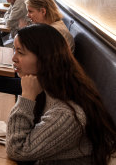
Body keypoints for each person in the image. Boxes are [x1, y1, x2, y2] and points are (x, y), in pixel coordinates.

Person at [7, 24, 116, 164]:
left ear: (43, 58)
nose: (14, 58)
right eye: (14, 50)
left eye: (20, 52)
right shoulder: (53, 87)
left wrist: (26, 97)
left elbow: (17, 149)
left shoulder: (67, 114)